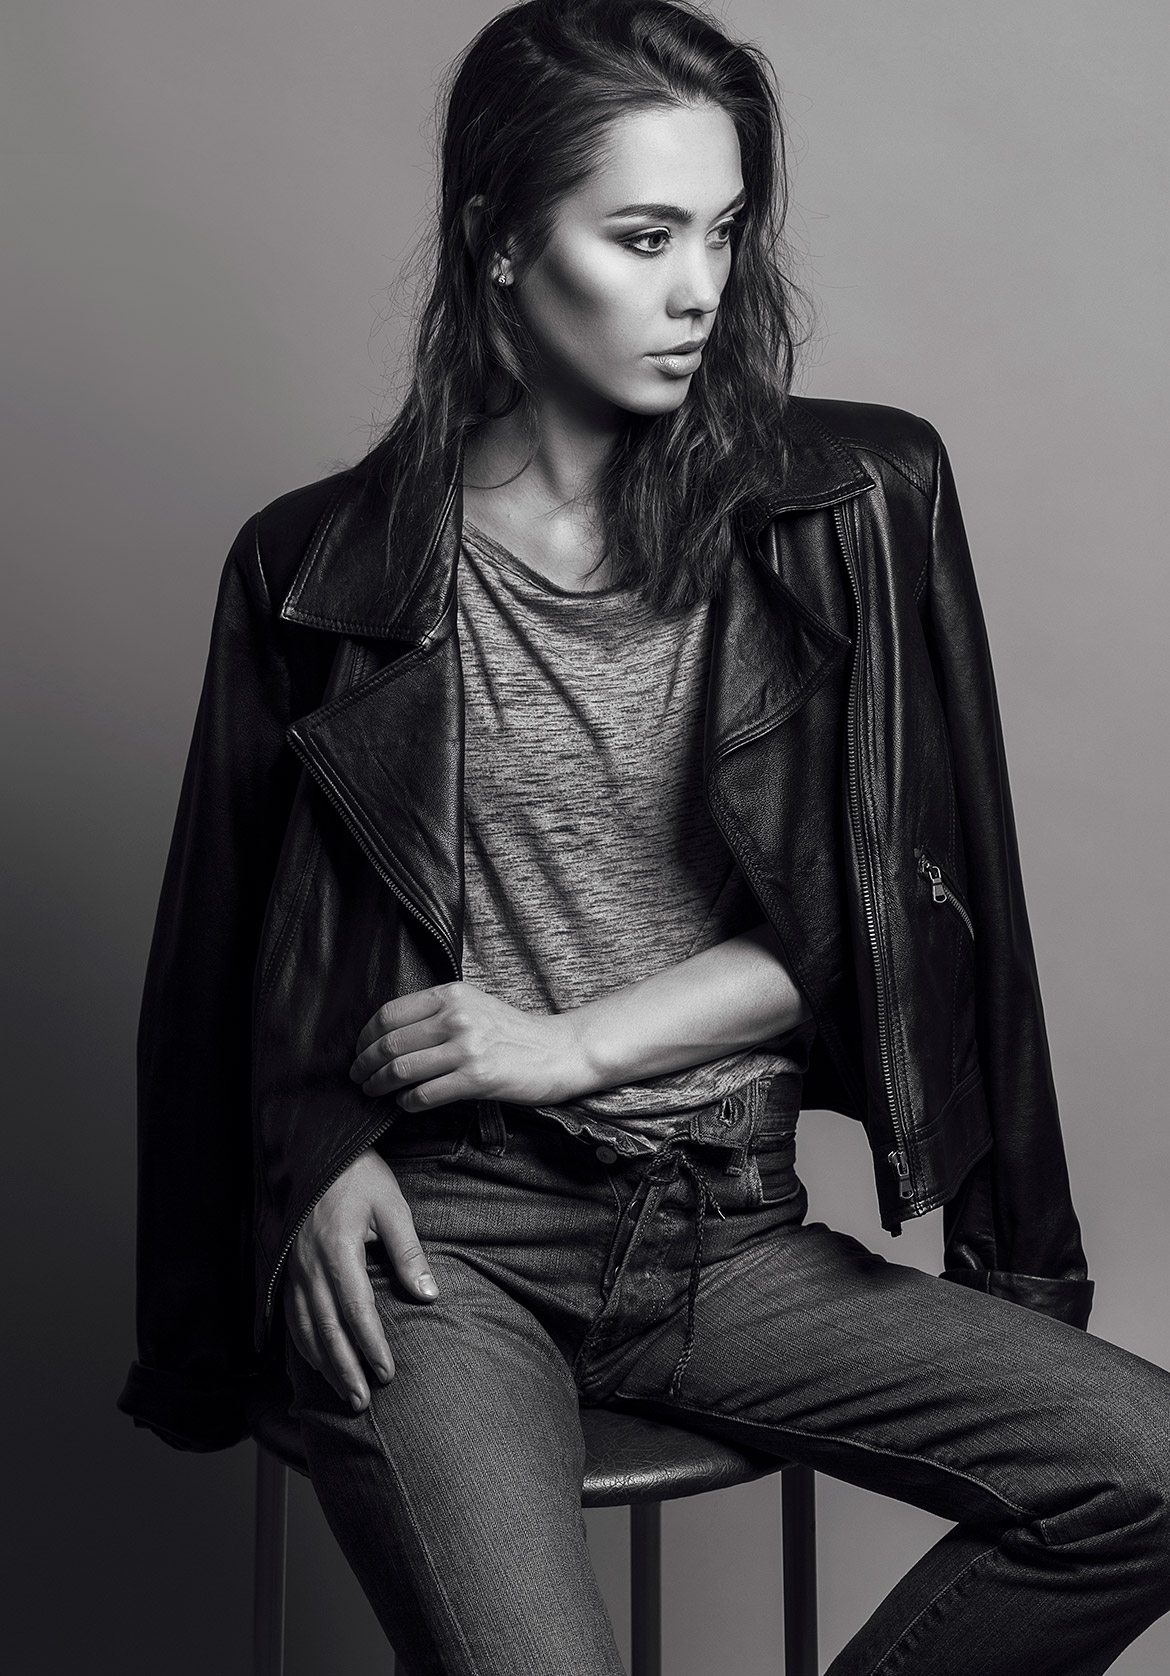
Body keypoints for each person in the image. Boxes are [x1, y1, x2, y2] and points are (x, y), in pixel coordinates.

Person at [118, 2, 1170, 1671]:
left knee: (1144, 1471)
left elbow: (889, 925)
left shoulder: (848, 510)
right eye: (642, 236)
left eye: (723, 232)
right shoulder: (315, 570)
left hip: (726, 1230)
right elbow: (227, 954)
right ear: (497, 241)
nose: (699, 290)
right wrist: (301, 1171)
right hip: (445, 1244)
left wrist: (570, 1043)